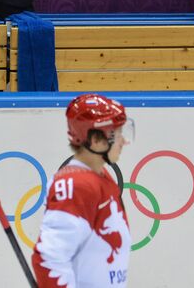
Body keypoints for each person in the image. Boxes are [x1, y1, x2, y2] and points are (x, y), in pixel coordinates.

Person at [32, 93, 134, 287]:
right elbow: (49, 260)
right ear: (95, 140)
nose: (124, 142)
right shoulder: (77, 185)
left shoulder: (102, 176)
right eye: (117, 134)